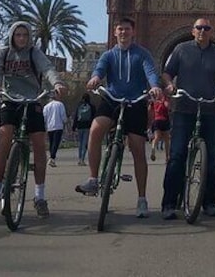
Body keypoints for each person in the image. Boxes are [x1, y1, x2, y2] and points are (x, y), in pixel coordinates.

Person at [76, 17, 163, 219]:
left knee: (138, 149)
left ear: (133, 32)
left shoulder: (142, 54)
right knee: (96, 130)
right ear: (115, 33)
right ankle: (93, 178)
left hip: (136, 101)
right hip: (112, 98)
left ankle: (142, 199)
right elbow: (100, 69)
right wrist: (96, 77)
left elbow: (150, 72)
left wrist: (155, 85)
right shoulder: (108, 55)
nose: (123, 32)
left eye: (127, 29)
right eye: (120, 29)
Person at [0, 21, 67, 218]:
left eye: (25, 35)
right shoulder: (3, 53)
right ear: (12, 36)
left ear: (29, 37)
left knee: (39, 144)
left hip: (32, 100)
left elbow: (47, 68)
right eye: (18, 35)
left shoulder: (34, 53)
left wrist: (57, 83)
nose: (21, 38)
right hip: (9, 99)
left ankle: (39, 197)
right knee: (4, 137)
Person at [160, 17, 215, 220]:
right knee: (176, 156)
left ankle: (209, 202)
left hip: (212, 109)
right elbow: (167, 73)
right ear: (193, 31)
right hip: (184, 108)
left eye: (206, 28)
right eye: (199, 27)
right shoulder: (182, 49)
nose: (202, 31)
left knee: (211, 159)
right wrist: (169, 85)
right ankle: (169, 203)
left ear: (211, 31)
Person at [43, 92, 68, 167]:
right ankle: (52, 158)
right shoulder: (60, 104)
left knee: (51, 143)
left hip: (50, 127)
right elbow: (63, 115)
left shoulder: (46, 106)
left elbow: (44, 117)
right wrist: (65, 121)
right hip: (58, 126)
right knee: (56, 143)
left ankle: (51, 157)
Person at [72, 93, 95, 165]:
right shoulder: (92, 106)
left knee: (80, 143)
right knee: (85, 143)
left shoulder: (79, 106)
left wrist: (74, 126)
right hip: (88, 126)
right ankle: (82, 159)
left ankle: (79, 159)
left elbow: (76, 116)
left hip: (79, 126)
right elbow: (94, 117)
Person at [149, 93, 171, 163]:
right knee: (167, 140)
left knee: (156, 137)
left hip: (156, 120)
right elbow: (168, 107)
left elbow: (149, 110)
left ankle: (153, 148)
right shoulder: (165, 98)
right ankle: (167, 157)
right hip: (164, 120)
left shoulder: (154, 101)